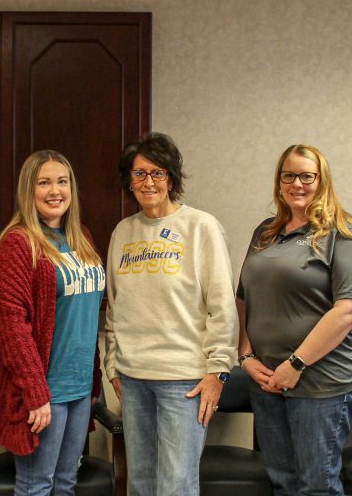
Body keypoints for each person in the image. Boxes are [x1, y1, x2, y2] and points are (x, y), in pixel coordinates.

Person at [104, 132, 238, 496]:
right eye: (139, 174)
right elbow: (115, 309)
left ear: (172, 178)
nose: (148, 182)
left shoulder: (201, 227)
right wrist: (113, 365)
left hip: (185, 381)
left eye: (158, 173)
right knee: (142, 483)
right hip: (133, 379)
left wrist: (218, 371)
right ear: (128, 180)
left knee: (176, 485)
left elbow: (222, 305)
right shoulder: (123, 232)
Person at [236, 144, 352, 496]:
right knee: (282, 481)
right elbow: (244, 298)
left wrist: (295, 363)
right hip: (267, 381)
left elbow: (348, 309)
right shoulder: (265, 232)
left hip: (320, 383)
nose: (297, 183)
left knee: (317, 486)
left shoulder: (343, 232)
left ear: (321, 180)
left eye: (306, 176)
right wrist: (246, 356)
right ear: (279, 182)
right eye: (288, 175)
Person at [0, 150, 106, 496]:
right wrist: (35, 393)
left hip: (80, 387)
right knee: (37, 485)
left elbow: (87, 313)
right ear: (29, 190)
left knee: (66, 483)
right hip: (43, 392)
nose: (55, 191)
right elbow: (10, 326)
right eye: (44, 182)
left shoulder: (81, 237)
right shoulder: (18, 244)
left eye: (62, 181)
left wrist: (93, 382)